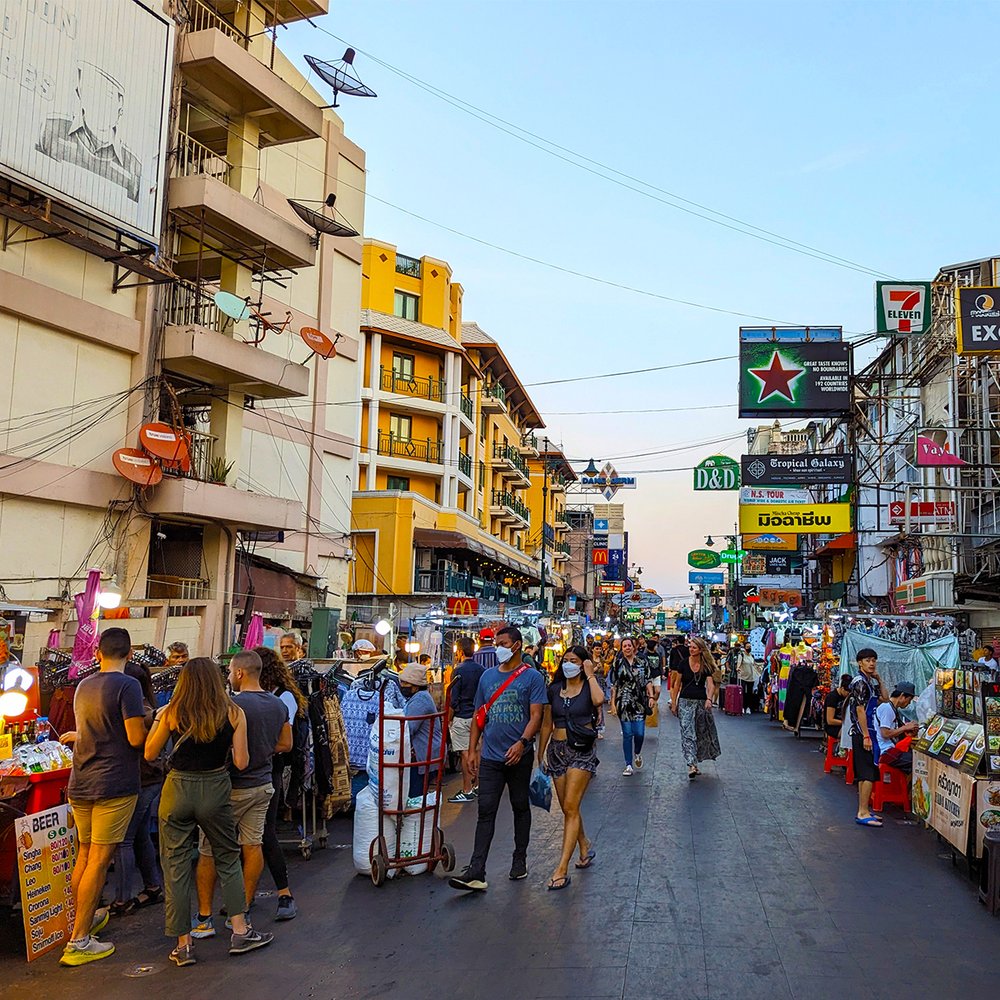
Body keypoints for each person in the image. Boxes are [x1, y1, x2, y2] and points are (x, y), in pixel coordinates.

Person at [145, 657, 272, 966]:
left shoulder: (172, 712)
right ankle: (240, 931)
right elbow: (241, 762)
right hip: (215, 787)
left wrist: (162, 720)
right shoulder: (233, 712)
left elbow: (149, 752)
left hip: (177, 789)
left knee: (174, 865)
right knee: (227, 858)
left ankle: (184, 944)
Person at [59, 627, 147, 966]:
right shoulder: (129, 685)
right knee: (99, 858)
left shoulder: (84, 684)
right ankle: (79, 940)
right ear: (129, 653)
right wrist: (150, 719)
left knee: (84, 853)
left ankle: (83, 919)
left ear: (98, 652)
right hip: (114, 782)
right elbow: (135, 738)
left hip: (81, 780)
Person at [194, 650, 291, 938]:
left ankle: (204, 916)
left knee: (209, 850)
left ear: (239, 673)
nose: (227, 677)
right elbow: (286, 744)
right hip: (262, 785)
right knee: (253, 845)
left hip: (231, 786)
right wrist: (262, 749)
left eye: (229, 672)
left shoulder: (230, 706)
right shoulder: (278, 705)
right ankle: (243, 906)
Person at [449, 625, 546, 893]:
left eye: (503, 642)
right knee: (486, 811)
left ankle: (519, 859)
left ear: (516, 645)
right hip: (491, 756)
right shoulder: (487, 678)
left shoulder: (532, 678)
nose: (498, 647)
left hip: (519, 756)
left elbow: (536, 716)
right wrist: (471, 751)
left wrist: (523, 743)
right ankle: (477, 870)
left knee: (519, 807)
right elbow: (479, 717)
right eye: (496, 642)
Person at [537, 646, 603, 890]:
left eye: (574, 661)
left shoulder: (588, 687)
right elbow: (546, 723)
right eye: (565, 660)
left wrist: (591, 674)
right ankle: (584, 845)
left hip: (581, 751)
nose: (568, 664)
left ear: (583, 663)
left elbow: (599, 701)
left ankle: (561, 868)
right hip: (556, 749)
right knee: (568, 808)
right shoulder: (554, 689)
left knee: (571, 807)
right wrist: (540, 752)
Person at [108, 661, 163, 916]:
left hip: (144, 779)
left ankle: (122, 899)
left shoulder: (142, 710)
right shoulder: (145, 706)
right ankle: (152, 887)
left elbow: (136, 743)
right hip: (148, 778)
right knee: (139, 835)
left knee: (123, 840)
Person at [256, 646, 307, 921]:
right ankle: (245, 893)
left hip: (271, 771)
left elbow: (283, 741)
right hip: (252, 771)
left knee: (266, 834)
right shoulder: (249, 697)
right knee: (252, 837)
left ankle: (284, 892)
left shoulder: (283, 698)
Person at [848, 647, 889, 828]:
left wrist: (879, 680)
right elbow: (859, 710)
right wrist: (865, 736)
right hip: (863, 732)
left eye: (873, 660)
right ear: (860, 663)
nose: (871, 663)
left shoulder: (868, 682)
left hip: (869, 732)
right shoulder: (860, 683)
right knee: (868, 773)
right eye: (867, 660)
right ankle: (862, 811)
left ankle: (864, 809)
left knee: (867, 773)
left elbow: (885, 699)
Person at [670, 637, 720, 780]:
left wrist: (709, 699)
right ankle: (691, 763)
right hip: (685, 701)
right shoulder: (683, 664)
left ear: (700, 649)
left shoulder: (706, 665)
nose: (690, 649)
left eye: (693, 647)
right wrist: (674, 702)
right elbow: (676, 684)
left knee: (699, 732)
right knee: (687, 732)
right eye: (690, 647)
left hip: (701, 701)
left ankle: (695, 761)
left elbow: (710, 684)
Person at [609, 637, 655, 776]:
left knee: (639, 733)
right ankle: (628, 764)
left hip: (639, 701)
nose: (627, 648)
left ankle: (637, 752)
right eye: (625, 646)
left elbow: (647, 680)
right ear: (621, 648)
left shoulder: (642, 661)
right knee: (627, 734)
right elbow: (614, 684)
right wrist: (613, 703)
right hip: (623, 701)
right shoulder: (617, 663)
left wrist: (651, 696)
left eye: (629, 645)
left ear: (634, 647)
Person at [398, 663, 444, 798]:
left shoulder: (420, 700)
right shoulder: (418, 697)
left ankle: (414, 819)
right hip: (426, 752)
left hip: (424, 754)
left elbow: (408, 728)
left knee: (415, 795)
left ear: (415, 686)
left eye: (405, 684)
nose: (402, 686)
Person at [447, 636, 484, 804]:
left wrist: (449, 719)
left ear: (460, 651)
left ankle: (467, 788)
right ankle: (477, 786)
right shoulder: (481, 669)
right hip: (478, 716)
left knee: (464, 753)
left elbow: (453, 699)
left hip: (462, 716)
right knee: (475, 751)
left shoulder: (458, 670)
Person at [875, 682, 918, 774]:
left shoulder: (892, 709)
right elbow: (885, 733)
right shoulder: (887, 708)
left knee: (914, 758)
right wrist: (905, 728)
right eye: (909, 700)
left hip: (889, 748)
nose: (909, 703)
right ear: (902, 696)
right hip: (885, 751)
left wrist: (907, 730)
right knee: (917, 761)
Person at [824, 674, 853, 740]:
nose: (849, 694)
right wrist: (846, 723)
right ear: (842, 688)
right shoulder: (832, 697)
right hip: (833, 727)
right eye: (848, 692)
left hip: (845, 723)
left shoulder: (849, 697)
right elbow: (830, 720)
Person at [737, 644, 759, 715]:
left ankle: (749, 707)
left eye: (750, 647)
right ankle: (743, 707)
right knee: (743, 692)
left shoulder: (752, 656)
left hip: (751, 677)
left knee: (750, 693)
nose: (749, 648)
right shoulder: (741, 656)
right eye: (747, 647)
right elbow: (738, 664)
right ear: (744, 648)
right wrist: (738, 668)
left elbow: (754, 665)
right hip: (743, 677)